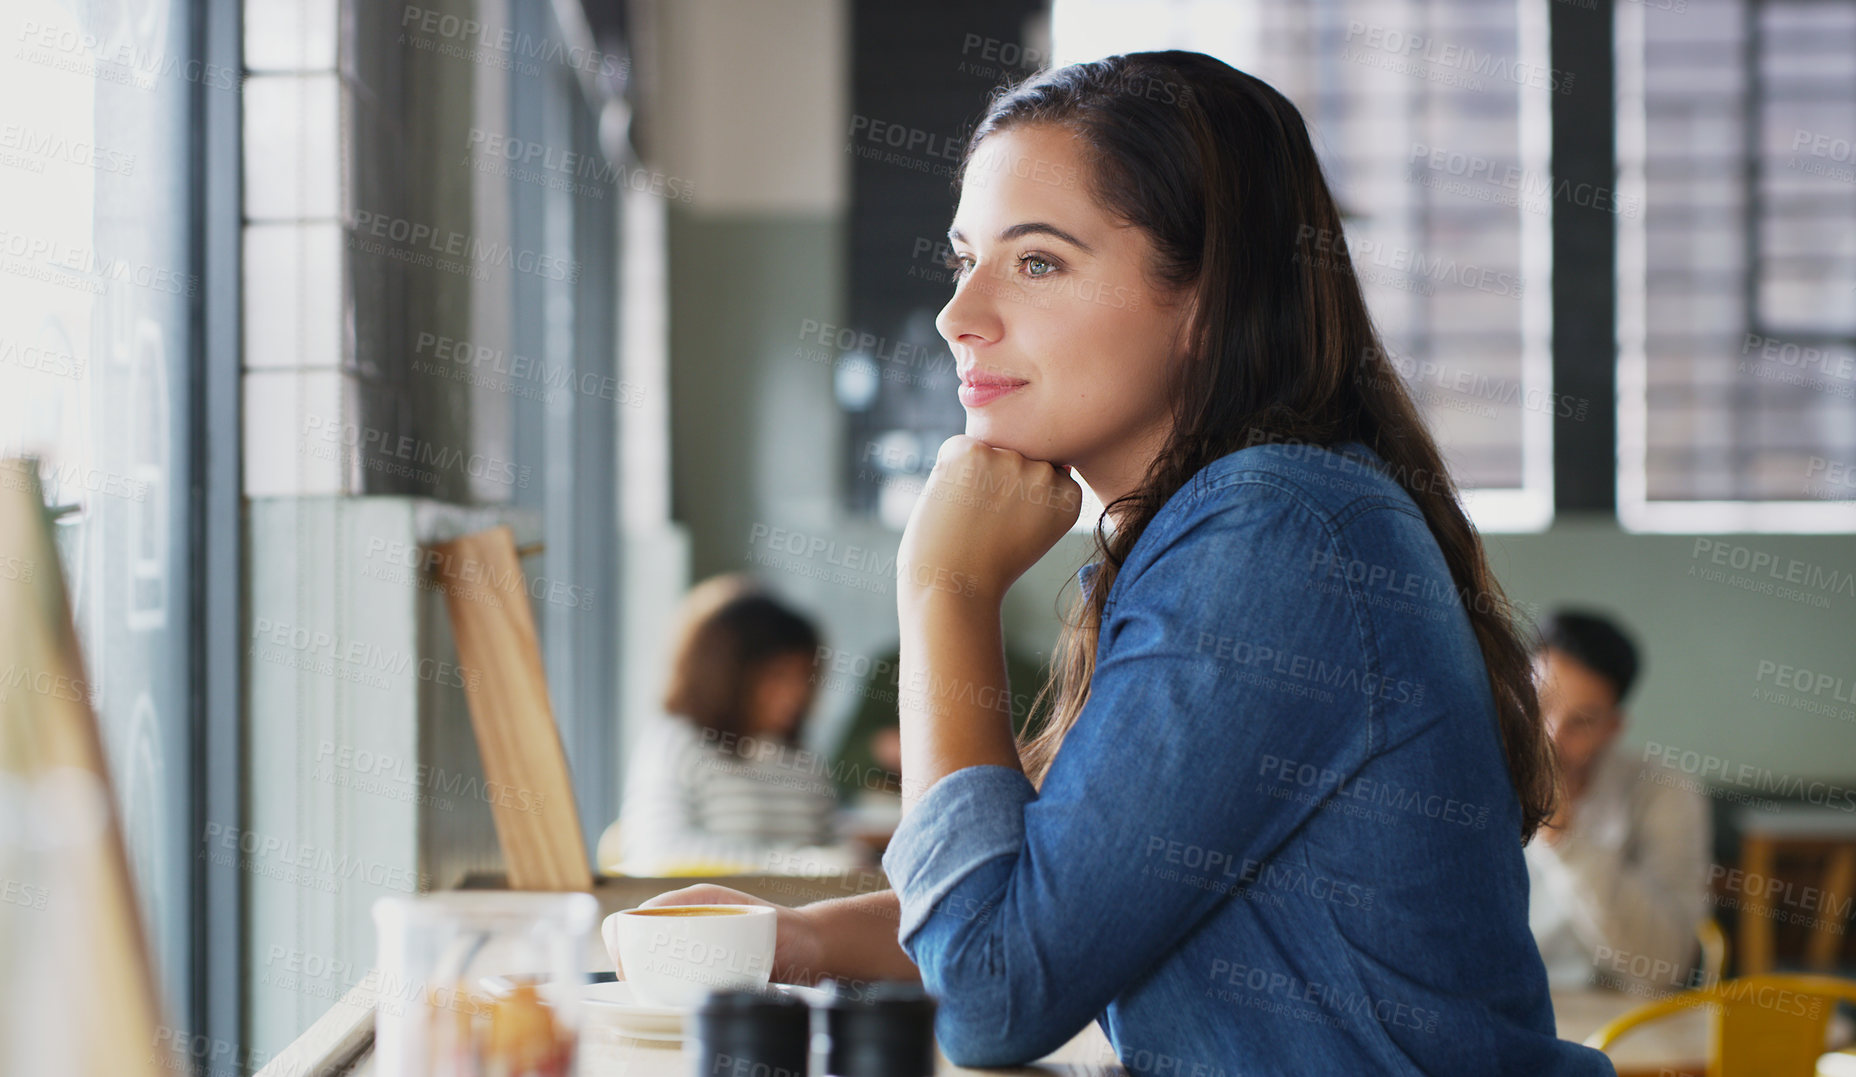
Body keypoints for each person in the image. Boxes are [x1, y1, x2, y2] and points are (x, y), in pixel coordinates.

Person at [604, 52, 1614, 1074]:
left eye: (1035, 262)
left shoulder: (1272, 535)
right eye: (965, 259)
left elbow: (991, 996)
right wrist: (797, 941)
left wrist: (942, 589)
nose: (959, 316)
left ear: (1208, 302)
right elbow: (1044, 895)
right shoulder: (1219, 530)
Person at [609, 574, 853, 875]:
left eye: (805, 676)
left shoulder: (803, 762)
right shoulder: (677, 742)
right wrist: (793, 865)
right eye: (778, 675)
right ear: (729, 675)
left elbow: (834, 850)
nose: (797, 693)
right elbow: (658, 849)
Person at [1525, 609, 1713, 996]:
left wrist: (1564, 838)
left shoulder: (1664, 792)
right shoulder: (1468, 786)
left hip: (1619, 1026)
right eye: (1539, 705)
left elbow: (1667, 965)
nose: (1551, 737)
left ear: (1612, 729)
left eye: (1582, 721)